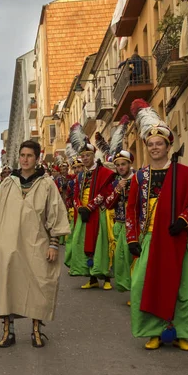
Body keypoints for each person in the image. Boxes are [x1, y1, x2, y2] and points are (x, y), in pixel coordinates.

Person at [0, 140, 70, 348]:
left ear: (37, 158)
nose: (25, 159)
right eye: (22, 155)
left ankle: (37, 330)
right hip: (8, 244)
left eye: (29, 155)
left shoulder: (47, 184)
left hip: (36, 244)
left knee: (39, 284)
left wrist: (54, 244)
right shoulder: (8, 183)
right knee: (7, 287)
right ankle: (7, 331)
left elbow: (54, 215)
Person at [127, 99, 188, 351]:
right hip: (150, 239)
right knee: (143, 285)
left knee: (184, 287)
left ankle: (182, 331)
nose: (154, 147)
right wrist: (132, 239)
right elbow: (131, 209)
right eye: (150, 144)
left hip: (176, 238)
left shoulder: (183, 174)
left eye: (159, 143)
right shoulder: (139, 177)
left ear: (167, 145)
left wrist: (184, 219)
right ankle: (154, 331)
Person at [66, 123, 116, 289]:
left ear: (93, 156)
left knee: (101, 244)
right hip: (84, 214)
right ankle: (92, 279)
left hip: (98, 213)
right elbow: (75, 195)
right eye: (83, 156)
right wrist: (80, 206)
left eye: (88, 156)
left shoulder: (103, 172)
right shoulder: (80, 176)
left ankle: (106, 278)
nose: (85, 158)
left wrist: (90, 207)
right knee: (82, 245)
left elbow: (105, 191)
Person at [104, 150, 135, 295]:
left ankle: (136, 290)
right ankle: (126, 286)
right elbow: (108, 204)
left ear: (130, 164)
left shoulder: (138, 179)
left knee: (134, 259)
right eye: (118, 165)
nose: (121, 167)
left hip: (134, 226)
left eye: (123, 164)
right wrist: (117, 189)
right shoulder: (115, 182)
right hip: (119, 224)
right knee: (121, 259)